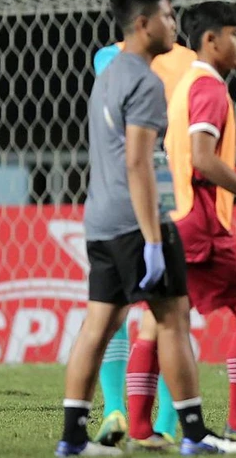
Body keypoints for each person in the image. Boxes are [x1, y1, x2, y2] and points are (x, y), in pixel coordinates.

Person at [55, 0, 236, 456]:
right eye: (167, 16)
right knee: (173, 320)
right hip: (137, 220)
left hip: (99, 218)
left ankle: (73, 438)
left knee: (98, 325)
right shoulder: (146, 81)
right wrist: (151, 237)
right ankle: (193, 433)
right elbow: (137, 162)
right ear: (143, 24)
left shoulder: (108, 74)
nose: (174, 24)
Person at [132, 0, 236, 450]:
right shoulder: (210, 89)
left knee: (156, 322)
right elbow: (201, 160)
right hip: (201, 226)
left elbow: (192, 161)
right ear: (210, 39)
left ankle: (143, 430)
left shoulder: (190, 85)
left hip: (177, 218)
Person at [88, 41, 196, 446]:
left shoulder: (105, 59)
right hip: (165, 191)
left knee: (107, 314)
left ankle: (114, 407)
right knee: (171, 316)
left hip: (110, 192)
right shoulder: (188, 62)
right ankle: (167, 423)